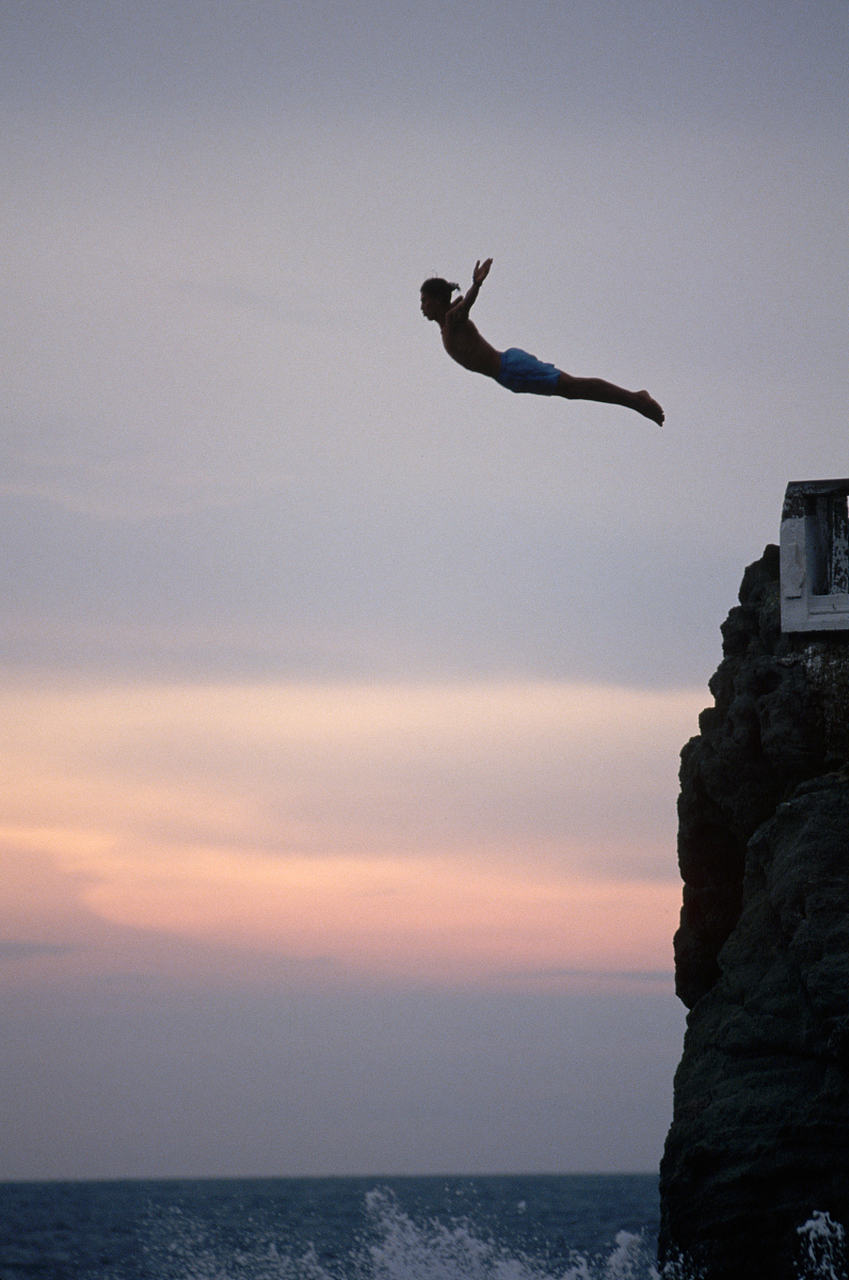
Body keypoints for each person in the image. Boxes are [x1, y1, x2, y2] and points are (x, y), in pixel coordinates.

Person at [420, 258, 664, 426]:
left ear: (439, 300)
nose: (422, 307)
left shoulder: (453, 319)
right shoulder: (448, 322)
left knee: (573, 388)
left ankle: (636, 400)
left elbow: (466, 304)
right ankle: (634, 400)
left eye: (425, 301)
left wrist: (476, 284)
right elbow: (460, 303)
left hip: (511, 368)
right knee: (571, 390)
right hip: (509, 375)